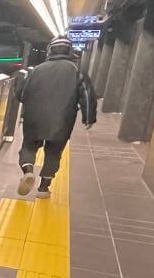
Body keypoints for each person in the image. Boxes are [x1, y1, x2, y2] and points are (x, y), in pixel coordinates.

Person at [15, 36, 97, 198]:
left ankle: (28, 170)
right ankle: (43, 188)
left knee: (29, 147)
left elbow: (21, 94)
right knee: (53, 153)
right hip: (62, 119)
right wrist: (88, 118)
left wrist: (31, 103)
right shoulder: (76, 71)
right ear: (69, 51)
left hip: (35, 117)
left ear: (50, 50)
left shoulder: (36, 70)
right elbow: (87, 95)